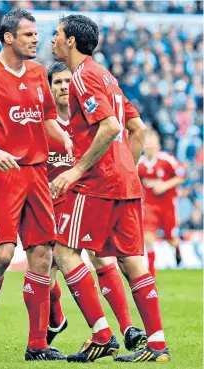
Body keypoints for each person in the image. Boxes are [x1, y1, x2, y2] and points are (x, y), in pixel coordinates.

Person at [50, 14, 171, 363]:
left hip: (98, 182)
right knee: (131, 261)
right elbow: (138, 129)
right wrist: (126, 170)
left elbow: (110, 126)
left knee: (64, 251)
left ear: (71, 41)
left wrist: (77, 170)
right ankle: (158, 346)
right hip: (125, 182)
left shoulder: (83, 76)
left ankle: (102, 334)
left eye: (58, 34)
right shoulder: (106, 76)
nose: (53, 39)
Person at [0, 9, 72, 362]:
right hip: (3, 173)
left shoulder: (38, 73)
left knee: (42, 255)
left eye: (37, 34)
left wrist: (66, 141)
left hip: (38, 173)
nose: (37, 40)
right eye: (29, 35)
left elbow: (48, 118)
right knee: (3, 256)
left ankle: (37, 345)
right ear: (8, 37)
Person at [46, 61, 147, 352]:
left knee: (102, 259)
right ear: (50, 88)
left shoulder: (90, 115)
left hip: (86, 196)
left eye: (67, 81)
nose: (64, 87)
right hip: (52, 205)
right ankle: (51, 326)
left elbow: (126, 131)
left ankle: (124, 329)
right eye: (58, 83)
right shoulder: (44, 123)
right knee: (45, 267)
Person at [138, 130, 186, 277]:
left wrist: (164, 185)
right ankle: (151, 273)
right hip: (150, 206)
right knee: (148, 236)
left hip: (167, 206)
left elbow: (182, 175)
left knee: (171, 238)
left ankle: (177, 249)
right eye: (147, 142)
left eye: (153, 141)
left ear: (158, 145)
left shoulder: (166, 160)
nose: (150, 144)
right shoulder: (140, 163)